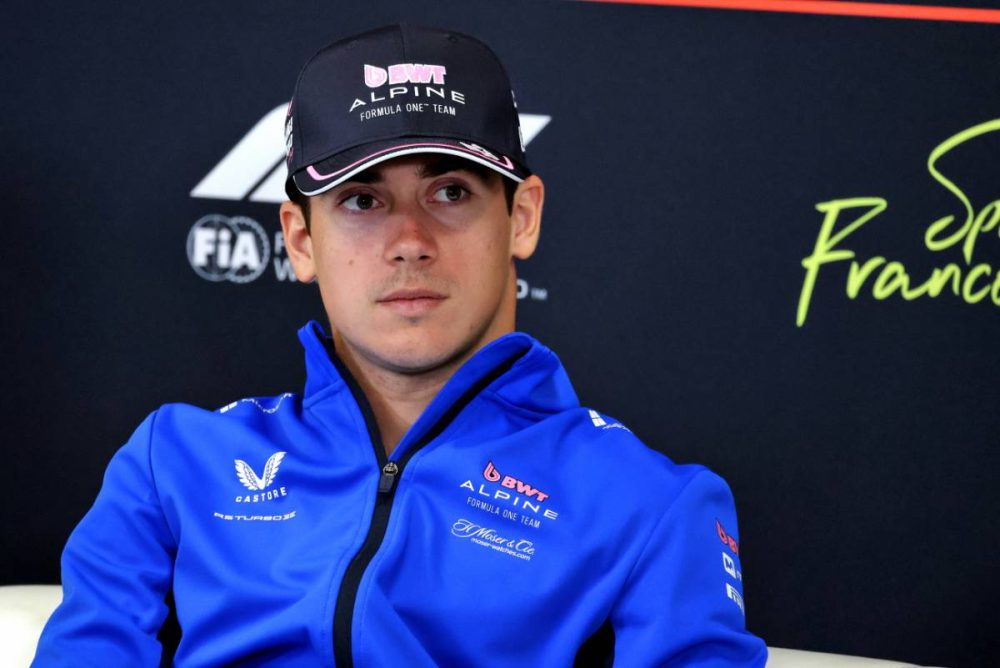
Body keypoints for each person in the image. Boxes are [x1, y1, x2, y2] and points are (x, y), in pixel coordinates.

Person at [33, 24, 767, 667]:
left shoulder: (650, 507)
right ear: (300, 239)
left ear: (521, 217)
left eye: (451, 192)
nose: (410, 241)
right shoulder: (174, 464)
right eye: (363, 200)